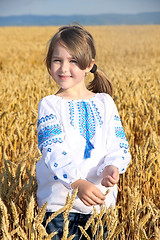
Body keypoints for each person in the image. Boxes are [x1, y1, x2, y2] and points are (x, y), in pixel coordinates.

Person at [36, 24, 131, 239]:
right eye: (57, 60)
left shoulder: (104, 102)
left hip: (100, 208)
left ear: (89, 65)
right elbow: (53, 150)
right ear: (49, 63)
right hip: (58, 209)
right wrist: (76, 183)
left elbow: (119, 143)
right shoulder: (50, 104)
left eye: (73, 61)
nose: (63, 68)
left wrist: (112, 166)